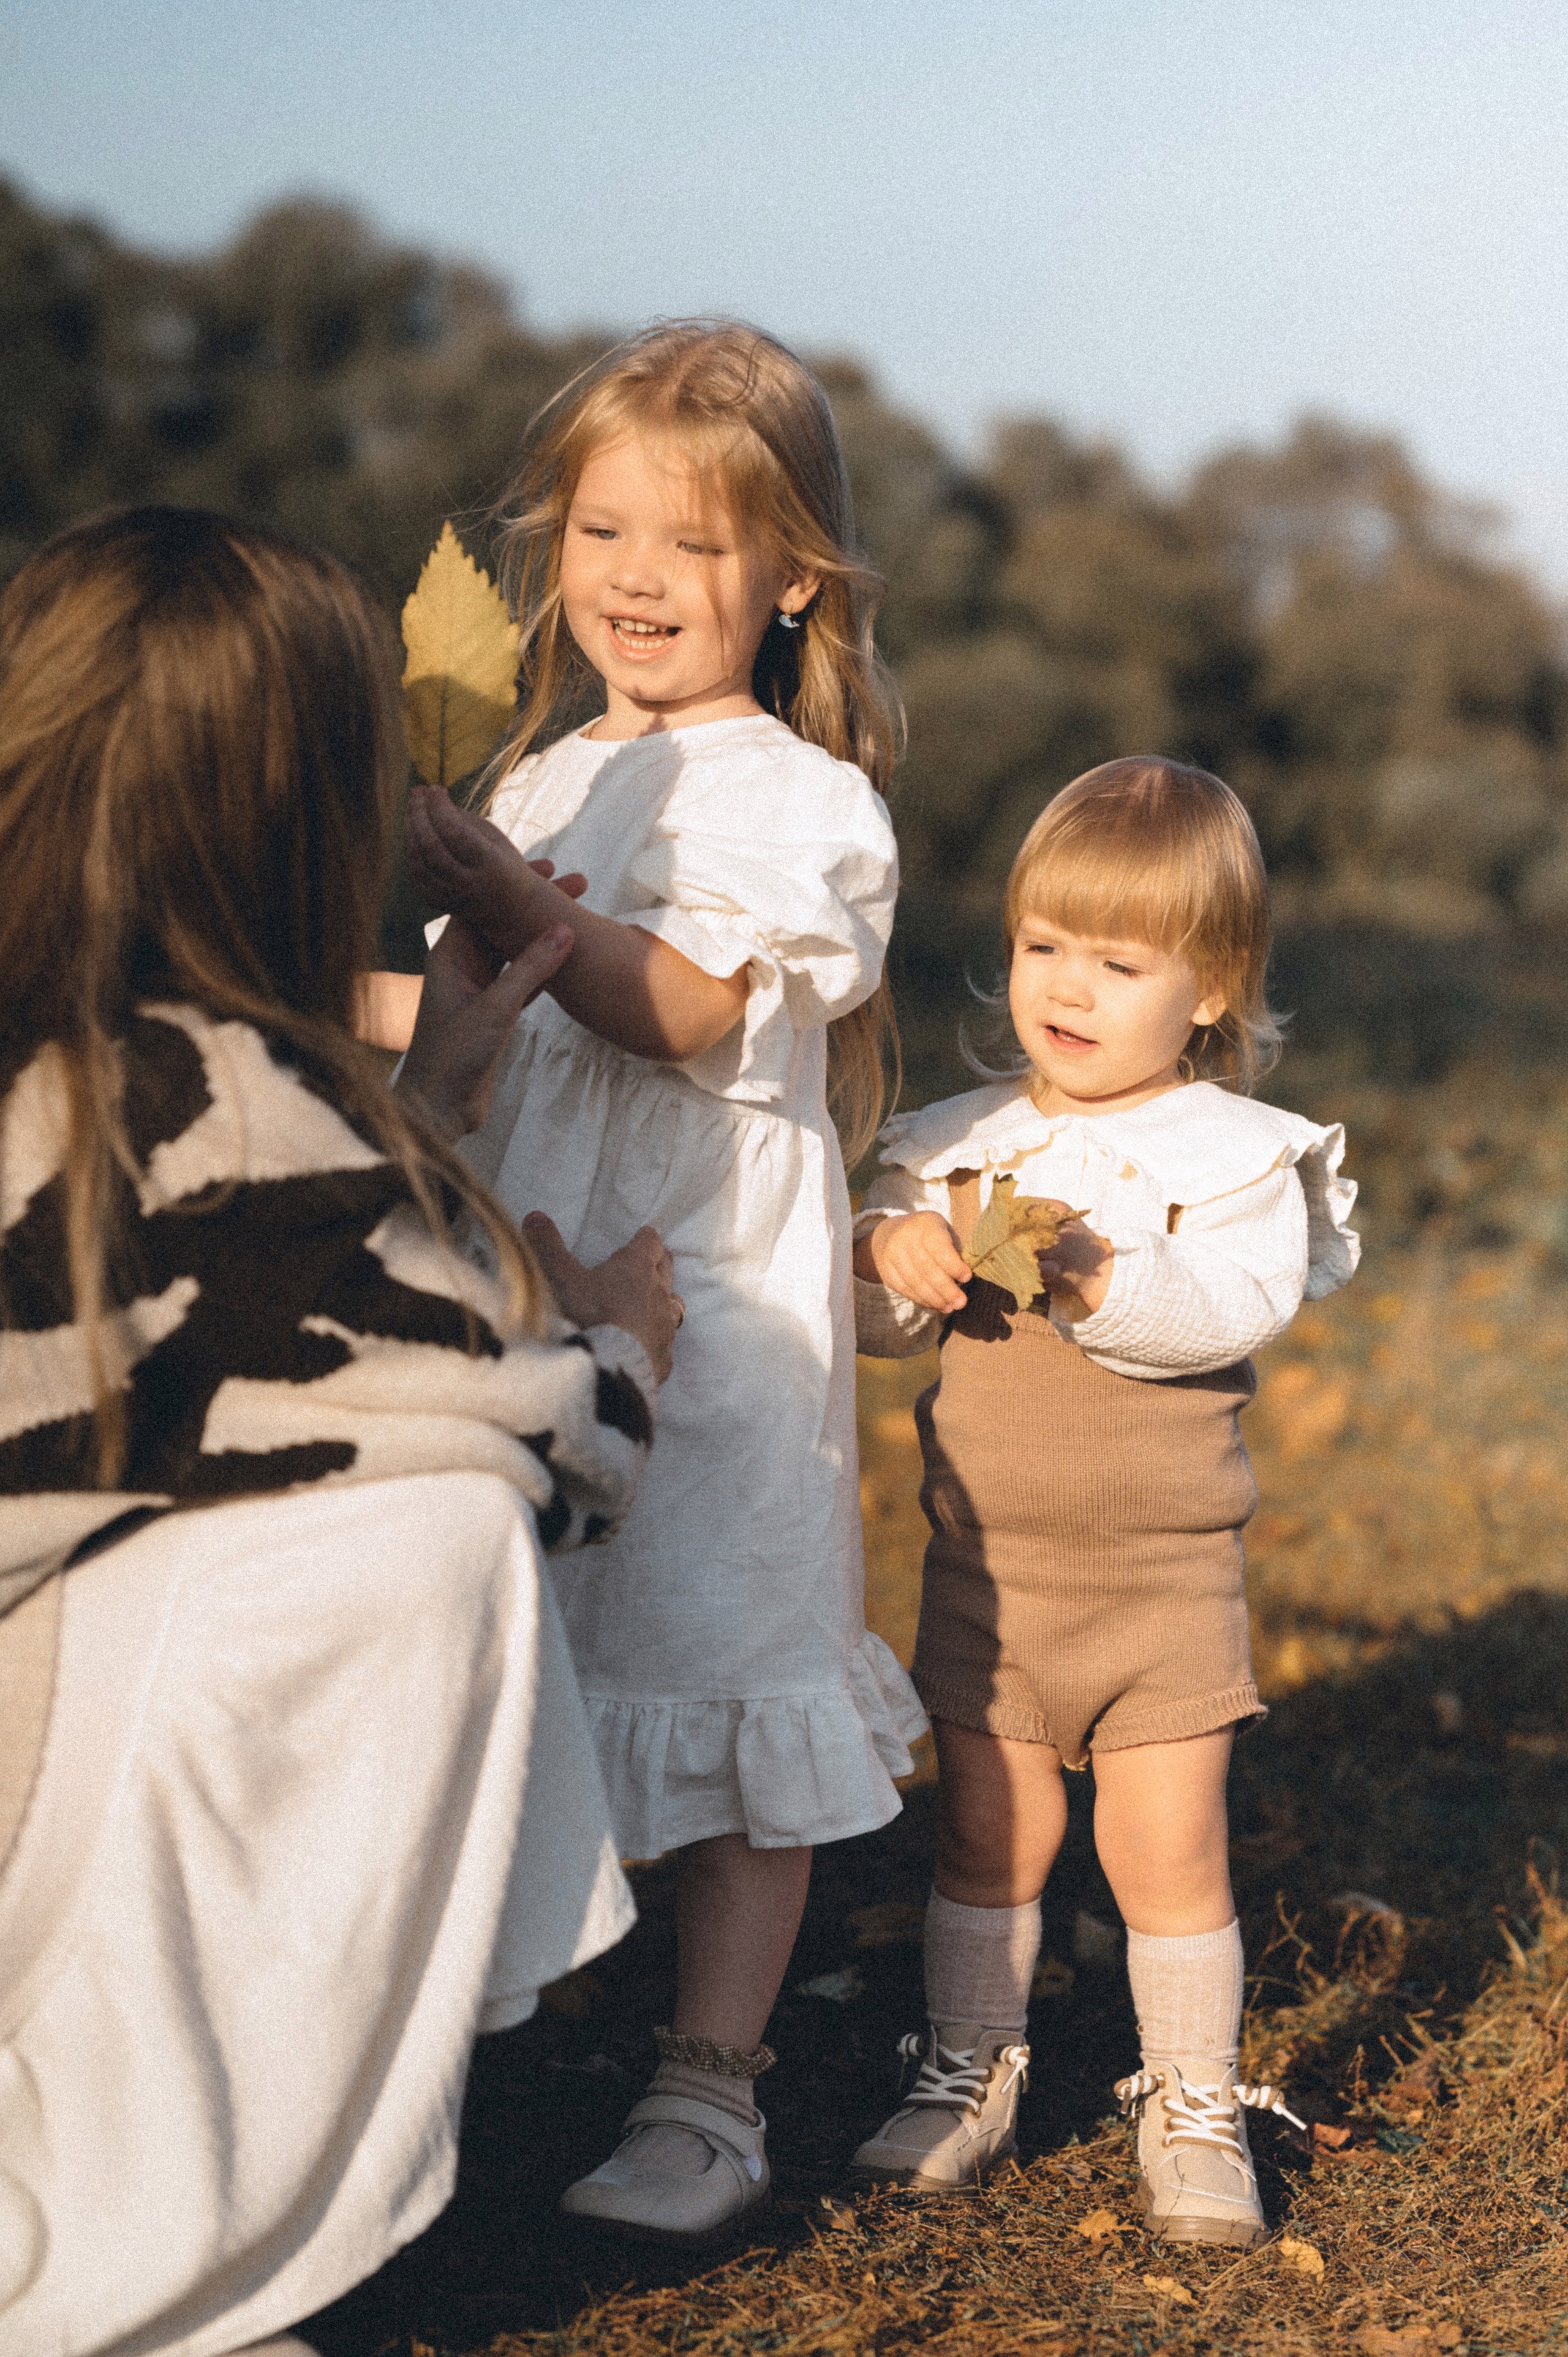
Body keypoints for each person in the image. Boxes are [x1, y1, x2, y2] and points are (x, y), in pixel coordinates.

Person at [0, 505, 681, 2356]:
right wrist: (622, 1354)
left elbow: (238, 1314)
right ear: (294, 813)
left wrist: (434, 1093)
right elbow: (510, 1423)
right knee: (436, 1530)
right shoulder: (199, 1085)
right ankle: (136, 2231)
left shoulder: (89, 1048)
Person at [402, 320, 928, 2242]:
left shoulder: (799, 806)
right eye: (605, 529)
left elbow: (683, 1012)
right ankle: (445, 2049)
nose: (636, 578)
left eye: (696, 546)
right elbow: (495, 1011)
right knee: (504, 1658)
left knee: (721, 1665)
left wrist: (501, 892)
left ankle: (709, 2087)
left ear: (794, 576)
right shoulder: (535, 777)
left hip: (712, 1317)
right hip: (533, 1286)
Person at [850, 758, 1357, 2247]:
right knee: (986, 1840)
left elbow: (1220, 1312)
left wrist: (1094, 1272)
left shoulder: (1231, 1160)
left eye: (1116, 962)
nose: (1065, 988)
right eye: (1040, 946)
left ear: (1207, 988)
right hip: (990, 1573)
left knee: (1163, 1848)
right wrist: (888, 1258)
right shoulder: (958, 1149)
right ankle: (964, 2068)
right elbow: (876, 1325)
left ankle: (1190, 2097)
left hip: (1159, 1585)